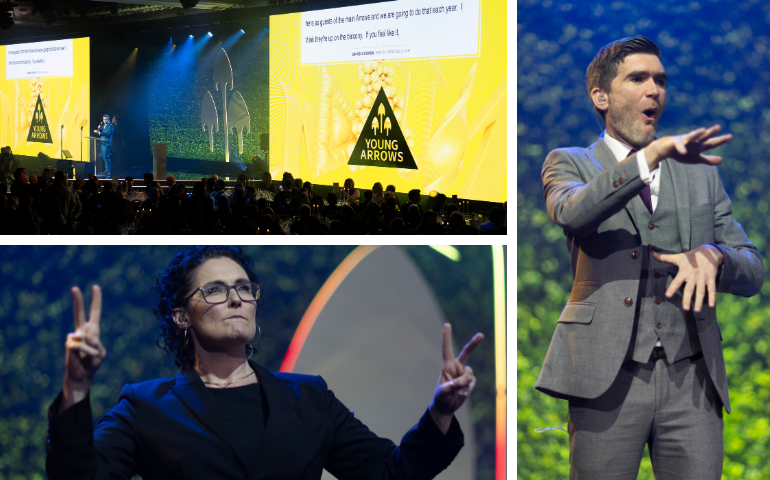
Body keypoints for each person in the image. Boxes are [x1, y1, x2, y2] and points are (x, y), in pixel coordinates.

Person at [45, 246, 483, 478]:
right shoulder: (145, 407)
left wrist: (440, 412)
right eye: (215, 290)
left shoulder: (309, 396)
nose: (236, 298)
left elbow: (391, 473)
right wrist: (76, 387)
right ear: (181, 317)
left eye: (244, 288)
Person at [535, 35, 763, 479]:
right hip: (605, 378)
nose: (654, 90)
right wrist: (650, 157)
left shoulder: (699, 174)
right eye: (638, 78)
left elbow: (752, 268)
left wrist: (716, 256)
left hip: (691, 378)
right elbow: (573, 212)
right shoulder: (569, 162)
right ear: (601, 96)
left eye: (660, 80)